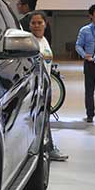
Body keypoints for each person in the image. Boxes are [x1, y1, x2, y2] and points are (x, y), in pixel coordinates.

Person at [28, 11, 68, 161]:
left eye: (40, 22)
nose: (37, 26)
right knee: (39, 121)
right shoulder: (29, 43)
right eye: (33, 23)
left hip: (45, 87)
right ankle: (45, 150)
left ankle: (48, 148)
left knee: (44, 120)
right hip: (35, 88)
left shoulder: (44, 40)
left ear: (45, 24)